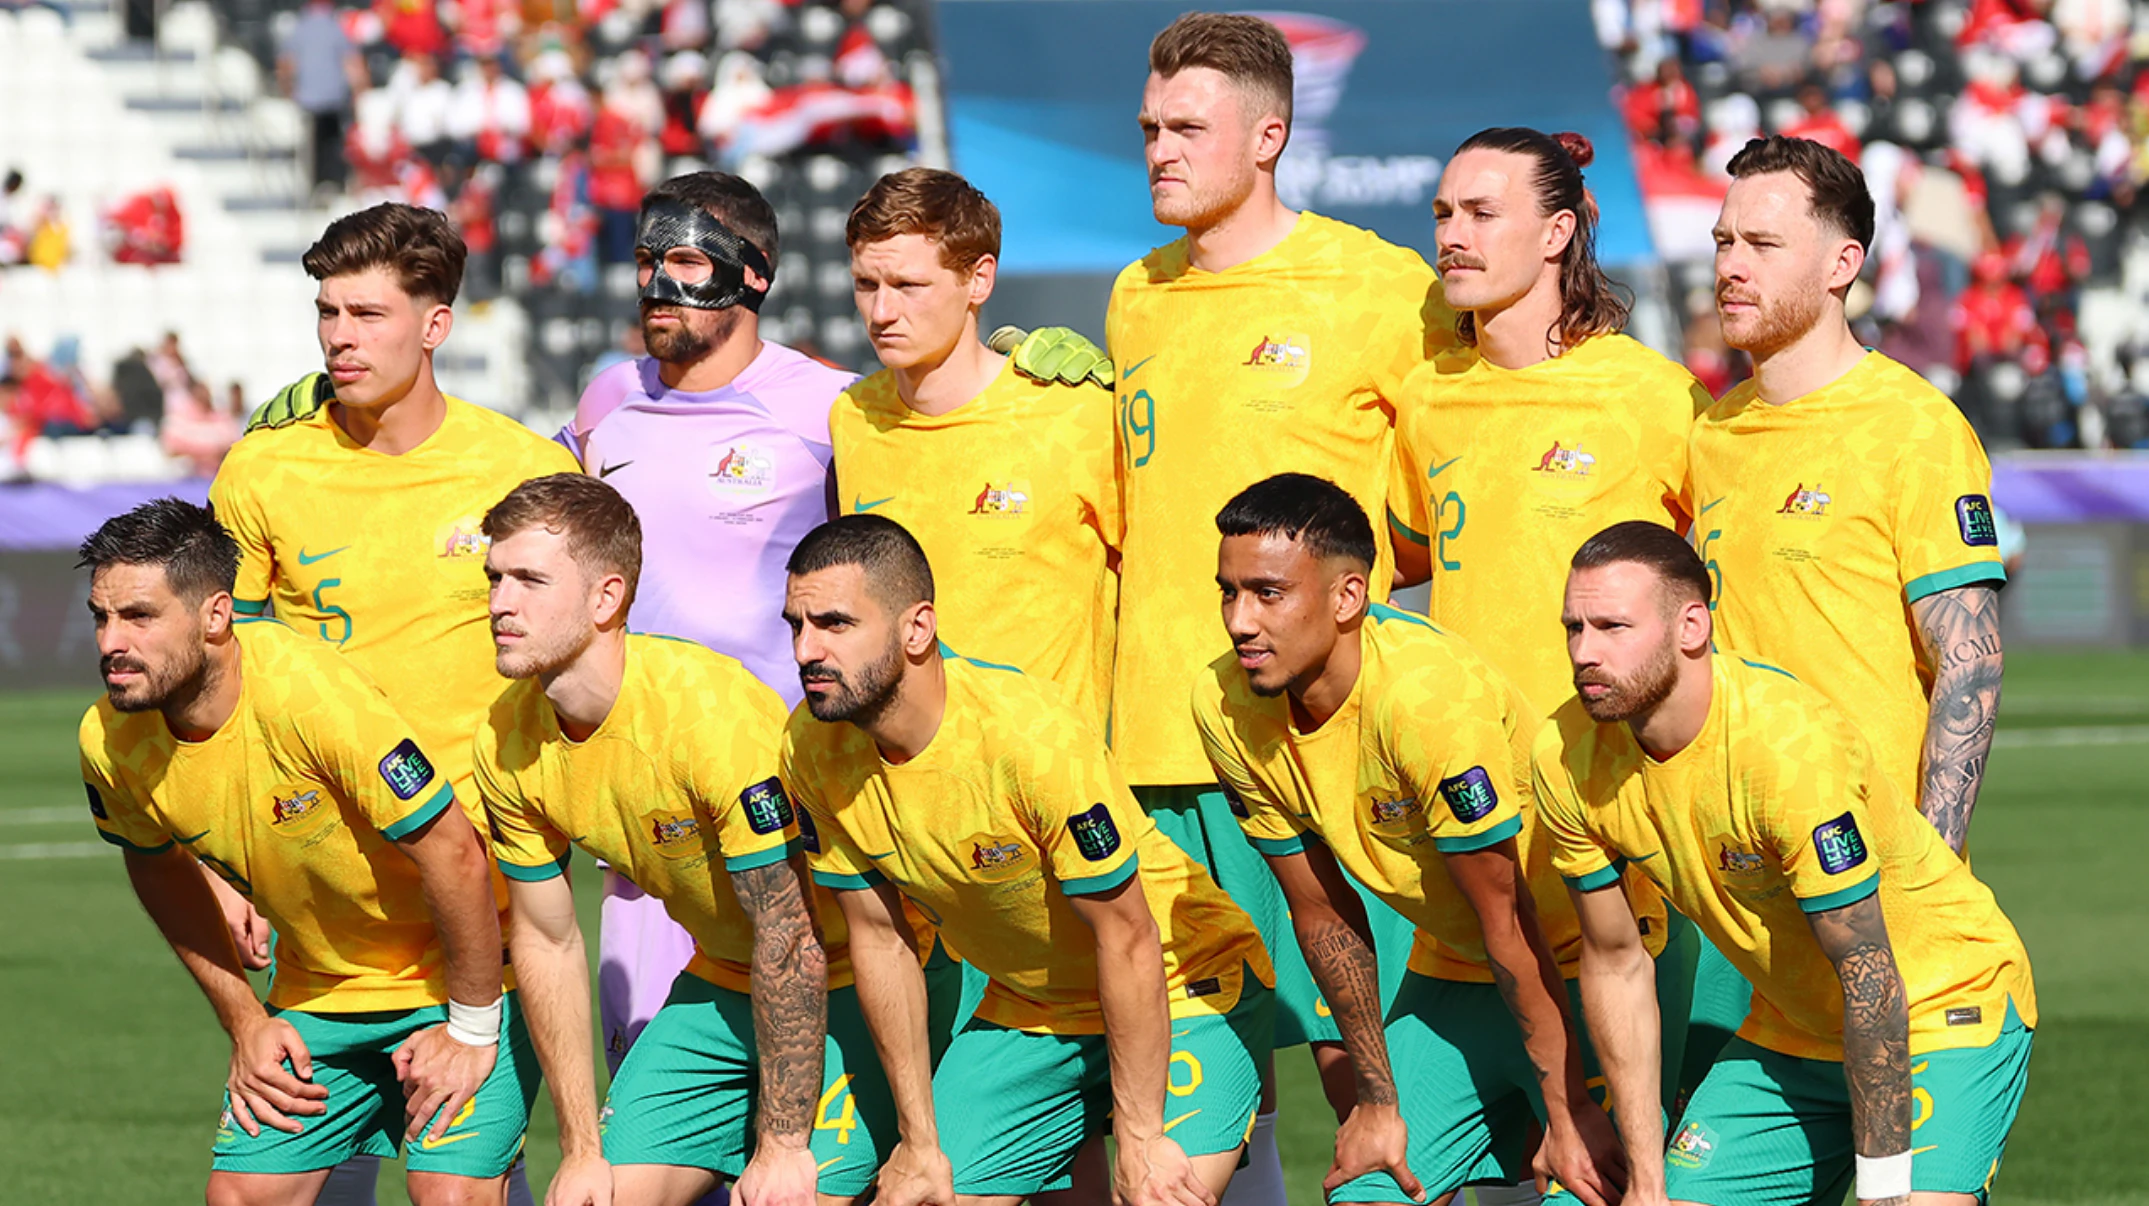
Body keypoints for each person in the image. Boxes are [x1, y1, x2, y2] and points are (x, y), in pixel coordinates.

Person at [1104, 13, 1456, 1172]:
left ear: (1268, 136)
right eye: (1151, 126)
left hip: (1316, 750)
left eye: (1187, 128)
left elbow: (1431, 521)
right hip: (1154, 743)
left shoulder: (1381, 288)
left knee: (1372, 1081)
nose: (1158, 147)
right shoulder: (1133, 298)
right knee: (1196, 1099)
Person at [208, 202, 574, 1206]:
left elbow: (578, 673)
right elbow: (229, 673)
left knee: (456, 1192)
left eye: (367, 313)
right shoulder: (263, 469)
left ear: (435, 324)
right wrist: (226, 869)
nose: (339, 336)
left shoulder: (525, 471)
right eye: (327, 311)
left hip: (478, 894)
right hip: (318, 897)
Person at [1534, 520, 2037, 1206]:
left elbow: (1869, 975)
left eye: (1612, 627)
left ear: (1690, 628)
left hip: (1938, 1006)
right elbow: (1615, 962)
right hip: (1792, 1033)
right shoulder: (1563, 753)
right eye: (1574, 627)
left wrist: (1883, 1186)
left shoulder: (1786, 748)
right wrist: (1647, 1186)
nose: (1584, 652)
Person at [780, 516, 1275, 1205]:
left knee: (1155, 1195)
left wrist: (1136, 1141)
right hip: (1032, 1006)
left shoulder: (1028, 735)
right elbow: (879, 938)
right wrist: (918, 1143)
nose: (806, 650)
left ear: (915, 629)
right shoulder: (810, 746)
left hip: (1183, 980)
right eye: (795, 625)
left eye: (834, 624)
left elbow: (1126, 936)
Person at [1384, 126, 1715, 1129]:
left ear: (1559, 231)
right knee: (1445, 1152)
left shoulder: (1655, 398)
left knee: (1618, 1161)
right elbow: (1404, 570)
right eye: (1443, 213)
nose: (1452, 234)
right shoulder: (1425, 399)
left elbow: (1713, 607)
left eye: (1483, 213)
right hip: (1473, 826)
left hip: (1617, 837)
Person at [1193, 474, 1643, 1206]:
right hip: (1455, 971)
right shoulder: (1221, 703)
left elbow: (1509, 916)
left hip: (1585, 961)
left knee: (1592, 1184)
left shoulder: (1426, 699)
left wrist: (1570, 1113)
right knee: (1369, 1188)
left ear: (1348, 598)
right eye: (1228, 591)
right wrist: (1375, 1100)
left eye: (1267, 593)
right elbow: (1320, 913)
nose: (1240, 621)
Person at [74, 498, 526, 1204]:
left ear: (216, 616)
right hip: (318, 994)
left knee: (450, 1193)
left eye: (139, 616)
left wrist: (470, 1030)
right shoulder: (107, 740)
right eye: (101, 617)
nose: (111, 642)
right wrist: (246, 1020)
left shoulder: (308, 695)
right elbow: (156, 869)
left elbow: (455, 851)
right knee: (240, 1196)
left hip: (460, 983)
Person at [472, 474, 889, 1205]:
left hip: (857, 977)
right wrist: (579, 1150)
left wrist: (783, 1145)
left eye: (530, 579)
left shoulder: (705, 716)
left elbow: (790, 937)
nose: (501, 603)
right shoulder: (503, 736)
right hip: (723, 981)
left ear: (606, 598)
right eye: (495, 577)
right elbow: (547, 940)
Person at [1691, 135, 2007, 857]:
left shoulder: (1913, 427)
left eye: (1762, 244)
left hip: (1868, 869)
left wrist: (1934, 862)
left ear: (1843, 265)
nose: (1731, 267)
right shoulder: (1709, 431)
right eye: (1723, 242)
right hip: (1731, 871)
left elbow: (1967, 659)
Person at [831, 167, 1119, 730]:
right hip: (908, 783)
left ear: (979, 280)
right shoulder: (851, 418)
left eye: (909, 286)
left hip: (1052, 788)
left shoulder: (1076, 413)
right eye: (867, 285)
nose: (882, 312)